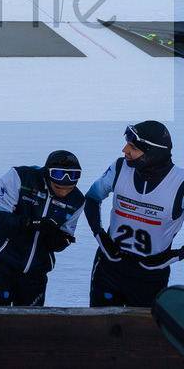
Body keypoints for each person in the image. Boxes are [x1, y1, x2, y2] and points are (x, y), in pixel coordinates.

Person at [85, 121, 184, 308]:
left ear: (152, 153)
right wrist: (100, 235)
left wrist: (175, 255)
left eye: (133, 147)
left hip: (150, 274)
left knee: (142, 333)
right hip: (109, 266)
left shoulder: (180, 183)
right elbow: (92, 198)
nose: (124, 150)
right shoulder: (120, 167)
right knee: (99, 328)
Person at [0, 150, 85, 306]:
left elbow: (65, 235)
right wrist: (29, 223)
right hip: (2, 264)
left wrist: (57, 240)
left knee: (30, 325)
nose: (64, 193)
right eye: (58, 187)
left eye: (69, 189)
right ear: (47, 175)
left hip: (36, 272)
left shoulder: (77, 200)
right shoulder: (20, 176)